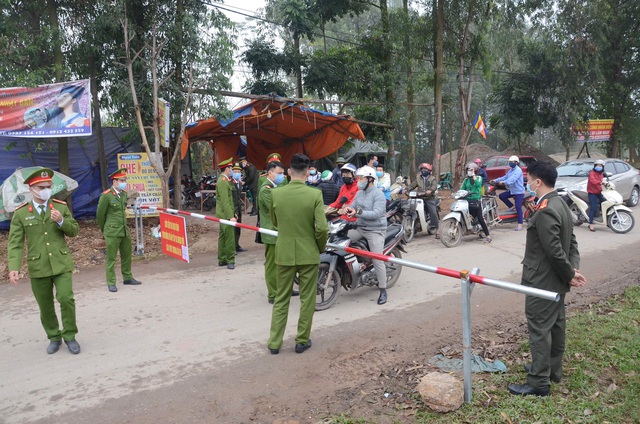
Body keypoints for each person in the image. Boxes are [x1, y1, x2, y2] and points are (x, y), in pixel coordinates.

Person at [508, 161, 586, 397]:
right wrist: (572, 270)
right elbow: (571, 243)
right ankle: (552, 370)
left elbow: (554, 250)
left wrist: (571, 273)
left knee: (540, 330)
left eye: (528, 179)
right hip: (557, 280)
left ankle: (539, 382)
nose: (527, 183)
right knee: (556, 326)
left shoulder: (546, 209)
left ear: (538, 182)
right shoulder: (560, 203)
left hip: (541, 280)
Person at [7, 168, 81, 355]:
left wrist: (61, 221)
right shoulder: (22, 213)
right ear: (31, 189)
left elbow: (74, 231)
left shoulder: (60, 207)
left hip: (61, 262)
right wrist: (14, 267)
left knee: (66, 298)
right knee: (45, 304)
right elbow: (15, 243)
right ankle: (54, 337)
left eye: (49, 186)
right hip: (38, 265)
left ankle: (70, 335)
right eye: (42, 187)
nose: (47, 190)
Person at [267, 153, 328, 355]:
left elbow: (275, 223)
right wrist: (318, 247)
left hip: (284, 252)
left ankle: (275, 343)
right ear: (308, 172)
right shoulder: (315, 195)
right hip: (308, 252)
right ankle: (302, 340)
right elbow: (321, 229)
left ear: (290, 172)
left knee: (281, 299)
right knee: (307, 298)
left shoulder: (276, 194)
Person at [344, 166, 389, 305]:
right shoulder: (359, 193)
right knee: (342, 243)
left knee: (377, 260)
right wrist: (348, 208)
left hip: (375, 230)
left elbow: (376, 214)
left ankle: (383, 290)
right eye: (358, 178)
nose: (359, 181)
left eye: (361, 178)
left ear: (370, 179)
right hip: (360, 228)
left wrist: (357, 211)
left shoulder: (378, 194)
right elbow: (352, 205)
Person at [258, 160, 299, 303]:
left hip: (280, 231)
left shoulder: (276, 186)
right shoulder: (266, 190)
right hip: (271, 232)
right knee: (272, 265)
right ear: (270, 173)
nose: (283, 176)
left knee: (284, 263)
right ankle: (273, 294)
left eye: (284, 173)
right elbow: (278, 208)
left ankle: (285, 289)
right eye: (279, 173)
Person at [97, 168, 142, 293]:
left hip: (124, 230)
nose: (124, 182)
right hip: (112, 231)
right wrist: (105, 229)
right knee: (111, 257)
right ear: (115, 182)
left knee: (126, 255)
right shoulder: (106, 196)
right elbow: (100, 215)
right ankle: (111, 282)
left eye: (125, 180)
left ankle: (127, 277)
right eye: (122, 180)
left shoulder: (124, 194)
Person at [492, 155, 526, 231]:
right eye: (510, 162)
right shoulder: (511, 170)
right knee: (502, 196)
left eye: (512, 162)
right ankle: (511, 207)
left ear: (516, 163)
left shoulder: (518, 170)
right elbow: (505, 177)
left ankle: (520, 224)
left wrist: (504, 182)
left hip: (518, 192)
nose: (510, 163)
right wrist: (496, 180)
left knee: (518, 207)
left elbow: (512, 180)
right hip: (512, 191)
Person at [406, 163, 440, 238]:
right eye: (422, 169)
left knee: (433, 212)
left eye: (425, 169)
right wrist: (406, 189)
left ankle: (437, 230)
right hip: (419, 198)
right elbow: (412, 185)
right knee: (411, 208)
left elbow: (434, 186)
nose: (423, 171)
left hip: (429, 198)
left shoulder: (432, 179)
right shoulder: (418, 179)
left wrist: (430, 191)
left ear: (429, 170)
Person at [461, 163, 491, 243]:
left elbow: (478, 185)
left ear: (475, 170)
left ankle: (488, 236)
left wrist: (473, 176)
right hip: (467, 201)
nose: (469, 171)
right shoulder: (466, 180)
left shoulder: (479, 178)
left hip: (476, 201)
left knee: (480, 218)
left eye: (471, 170)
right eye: (468, 170)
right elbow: (462, 189)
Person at [216, 157, 237, 270]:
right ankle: (230, 260)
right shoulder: (223, 182)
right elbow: (225, 201)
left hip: (223, 214)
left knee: (223, 237)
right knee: (229, 237)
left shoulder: (224, 180)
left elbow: (229, 201)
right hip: (225, 215)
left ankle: (222, 258)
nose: (232, 170)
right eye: (231, 168)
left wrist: (233, 214)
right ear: (227, 169)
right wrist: (230, 216)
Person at [231, 163, 246, 253]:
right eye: (235, 171)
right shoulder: (230, 182)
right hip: (233, 210)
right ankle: (232, 247)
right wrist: (234, 211)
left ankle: (237, 245)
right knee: (232, 230)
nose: (237, 173)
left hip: (239, 209)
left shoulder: (239, 183)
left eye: (239, 172)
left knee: (238, 229)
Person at [587, 159, 606, 232]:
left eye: (600, 165)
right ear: (595, 166)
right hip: (592, 193)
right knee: (593, 207)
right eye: (597, 165)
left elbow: (602, 182)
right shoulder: (592, 173)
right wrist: (601, 182)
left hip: (599, 192)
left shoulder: (601, 174)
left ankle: (603, 216)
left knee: (604, 202)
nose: (599, 167)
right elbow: (593, 181)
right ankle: (591, 224)